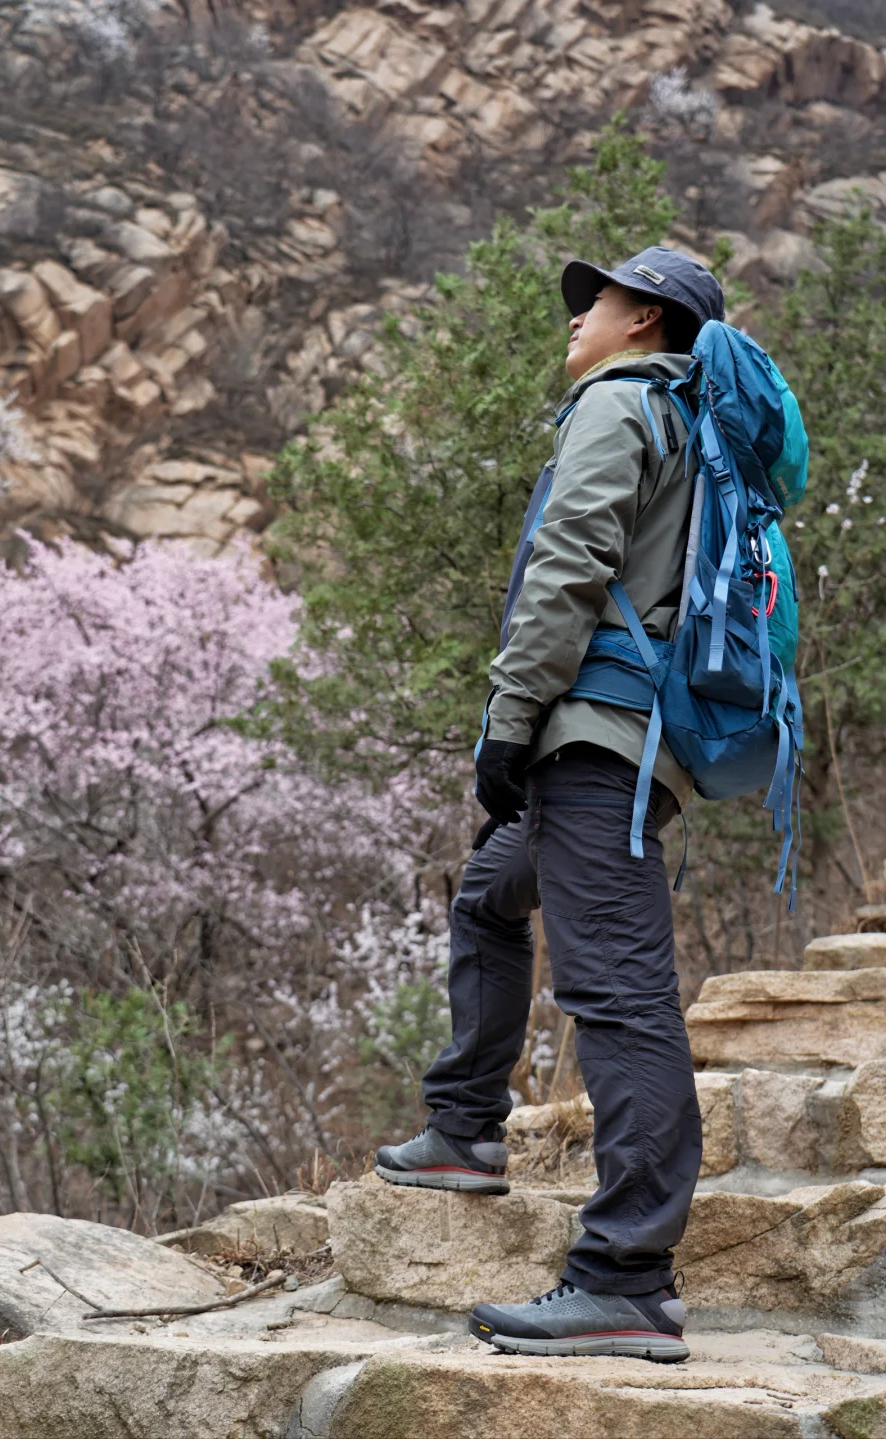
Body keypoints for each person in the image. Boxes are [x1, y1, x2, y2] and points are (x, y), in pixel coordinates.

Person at [374, 247, 727, 1363]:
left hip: (592, 741)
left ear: (646, 322)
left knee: (620, 995)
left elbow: (566, 567)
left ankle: (626, 1275)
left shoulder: (622, 405)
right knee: (488, 893)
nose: (579, 317)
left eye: (600, 302)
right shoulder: (691, 429)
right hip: (636, 748)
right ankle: (467, 1127)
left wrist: (507, 724)